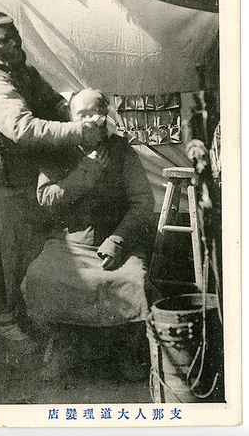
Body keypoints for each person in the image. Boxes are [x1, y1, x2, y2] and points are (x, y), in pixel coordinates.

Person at [0, 11, 101, 341]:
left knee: (26, 247)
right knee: (2, 250)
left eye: (14, 36)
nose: (12, 43)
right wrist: (79, 131)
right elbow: (22, 129)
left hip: (22, 176)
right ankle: (3, 318)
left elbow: (51, 102)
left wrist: (75, 111)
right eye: (2, 40)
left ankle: (21, 308)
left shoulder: (23, 72)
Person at [22, 88, 155, 379]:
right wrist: (87, 172)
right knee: (40, 276)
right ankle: (64, 344)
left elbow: (143, 202)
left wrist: (118, 240)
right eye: (82, 114)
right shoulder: (58, 148)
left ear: (106, 115)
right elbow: (45, 197)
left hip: (119, 242)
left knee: (133, 280)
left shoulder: (121, 150)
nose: (91, 119)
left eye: (96, 112)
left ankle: (124, 348)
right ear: (71, 118)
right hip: (70, 243)